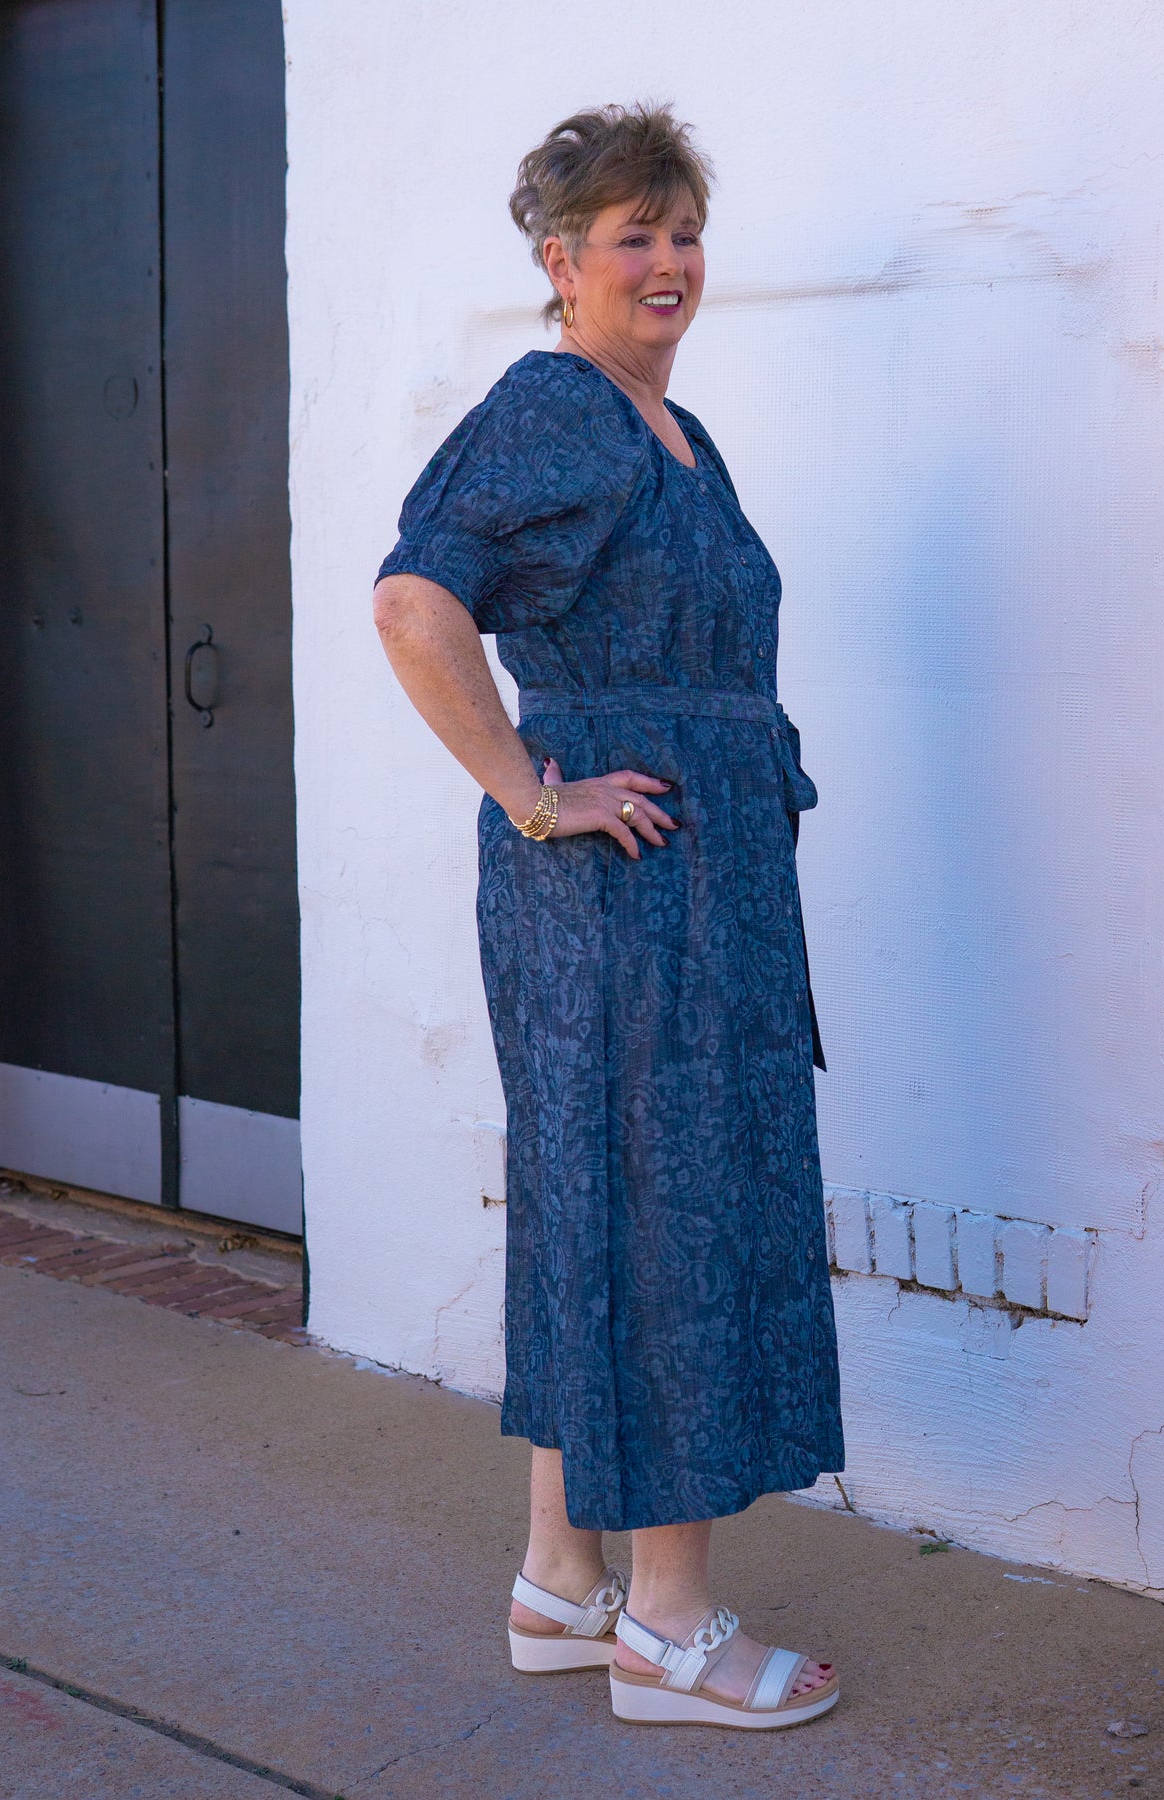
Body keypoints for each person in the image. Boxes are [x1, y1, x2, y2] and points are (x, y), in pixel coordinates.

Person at [373, 102, 844, 1729]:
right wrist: (530, 790)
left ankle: (562, 1583)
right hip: (629, 892)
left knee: (606, 1201)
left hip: (699, 888)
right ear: (561, 261)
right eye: (632, 235)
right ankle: (670, 1629)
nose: (669, 261)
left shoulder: (667, 426)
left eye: (684, 231)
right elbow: (414, 603)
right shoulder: (560, 408)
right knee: (669, 1212)